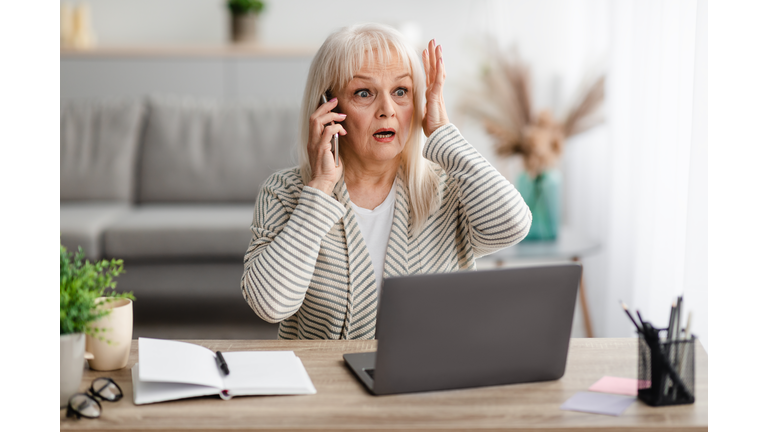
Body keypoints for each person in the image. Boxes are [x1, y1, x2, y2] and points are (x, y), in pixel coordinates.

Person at [241, 23, 531, 340]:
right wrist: (320, 188)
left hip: (428, 382)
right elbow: (270, 304)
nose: (388, 110)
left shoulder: (448, 187)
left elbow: (512, 226)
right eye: (364, 93)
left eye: (401, 92)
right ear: (327, 107)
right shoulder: (285, 193)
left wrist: (442, 133)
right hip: (326, 386)